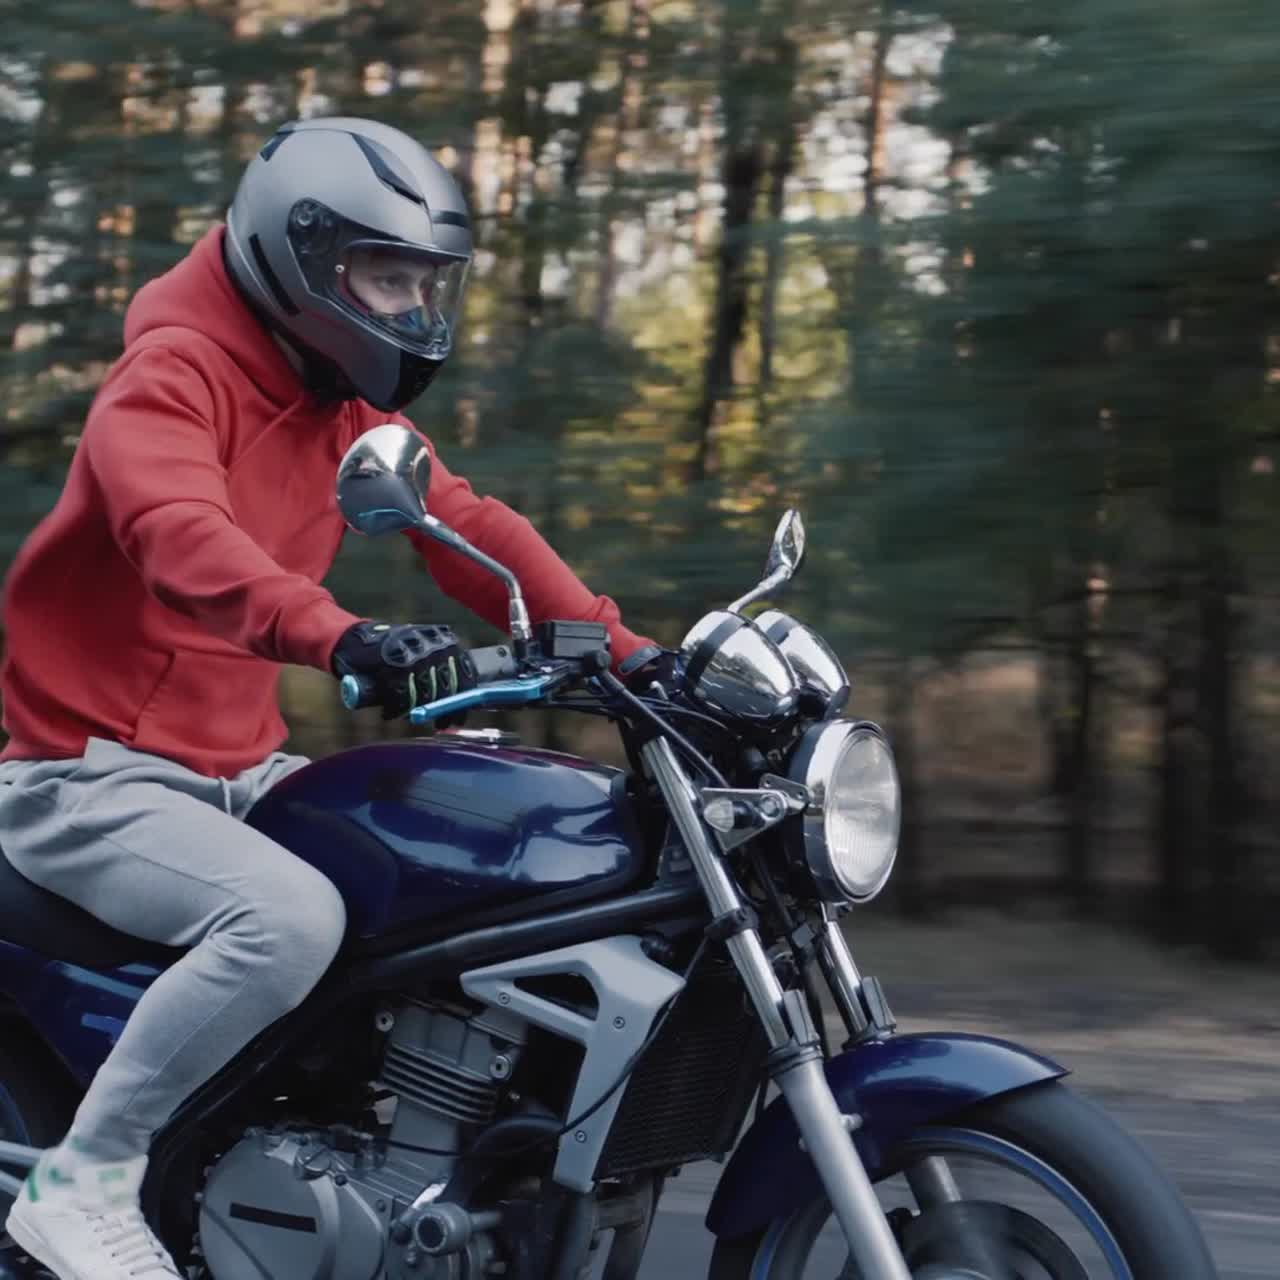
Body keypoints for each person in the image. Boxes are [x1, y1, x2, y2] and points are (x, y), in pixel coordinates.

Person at [0, 116, 669, 1280]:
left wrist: (635, 658)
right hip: (86, 768)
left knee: (440, 880)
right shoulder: (168, 379)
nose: (411, 311)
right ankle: (85, 1177)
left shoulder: (339, 405)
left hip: (230, 767)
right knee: (289, 918)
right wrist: (340, 632)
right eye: (386, 276)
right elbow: (180, 537)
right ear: (298, 262)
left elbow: (463, 524)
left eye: (426, 283)